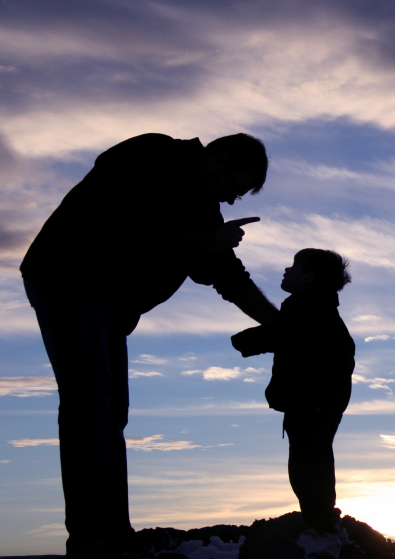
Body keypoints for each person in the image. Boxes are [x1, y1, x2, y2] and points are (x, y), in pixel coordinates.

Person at [21, 132, 279, 558]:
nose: (233, 201)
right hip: (67, 276)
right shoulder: (150, 155)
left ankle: (113, 532)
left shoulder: (203, 211)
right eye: (236, 188)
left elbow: (228, 277)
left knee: (110, 412)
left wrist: (282, 325)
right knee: (90, 402)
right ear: (219, 159)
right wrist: (202, 241)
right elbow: (113, 223)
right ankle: (89, 540)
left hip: (107, 301)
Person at [231, 249, 355, 547]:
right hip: (320, 398)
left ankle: (322, 532)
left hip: (311, 399)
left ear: (308, 277)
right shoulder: (318, 308)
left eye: (294, 266)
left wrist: (241, 340)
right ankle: (322, 524)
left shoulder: (307, 306)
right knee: (312, 461)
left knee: (307, 465)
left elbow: (280, 333)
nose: (286, 270)